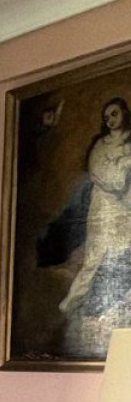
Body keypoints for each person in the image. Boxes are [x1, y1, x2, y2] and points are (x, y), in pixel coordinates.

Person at [59, 96, 131, 315]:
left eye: (114, 114)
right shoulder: (100, 146)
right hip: (104, 208)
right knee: (94, 257)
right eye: (106, 117)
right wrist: (125, 164)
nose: (110, 119)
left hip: (126, 207)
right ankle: (71, 301)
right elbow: (106, 177)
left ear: (125, 113)